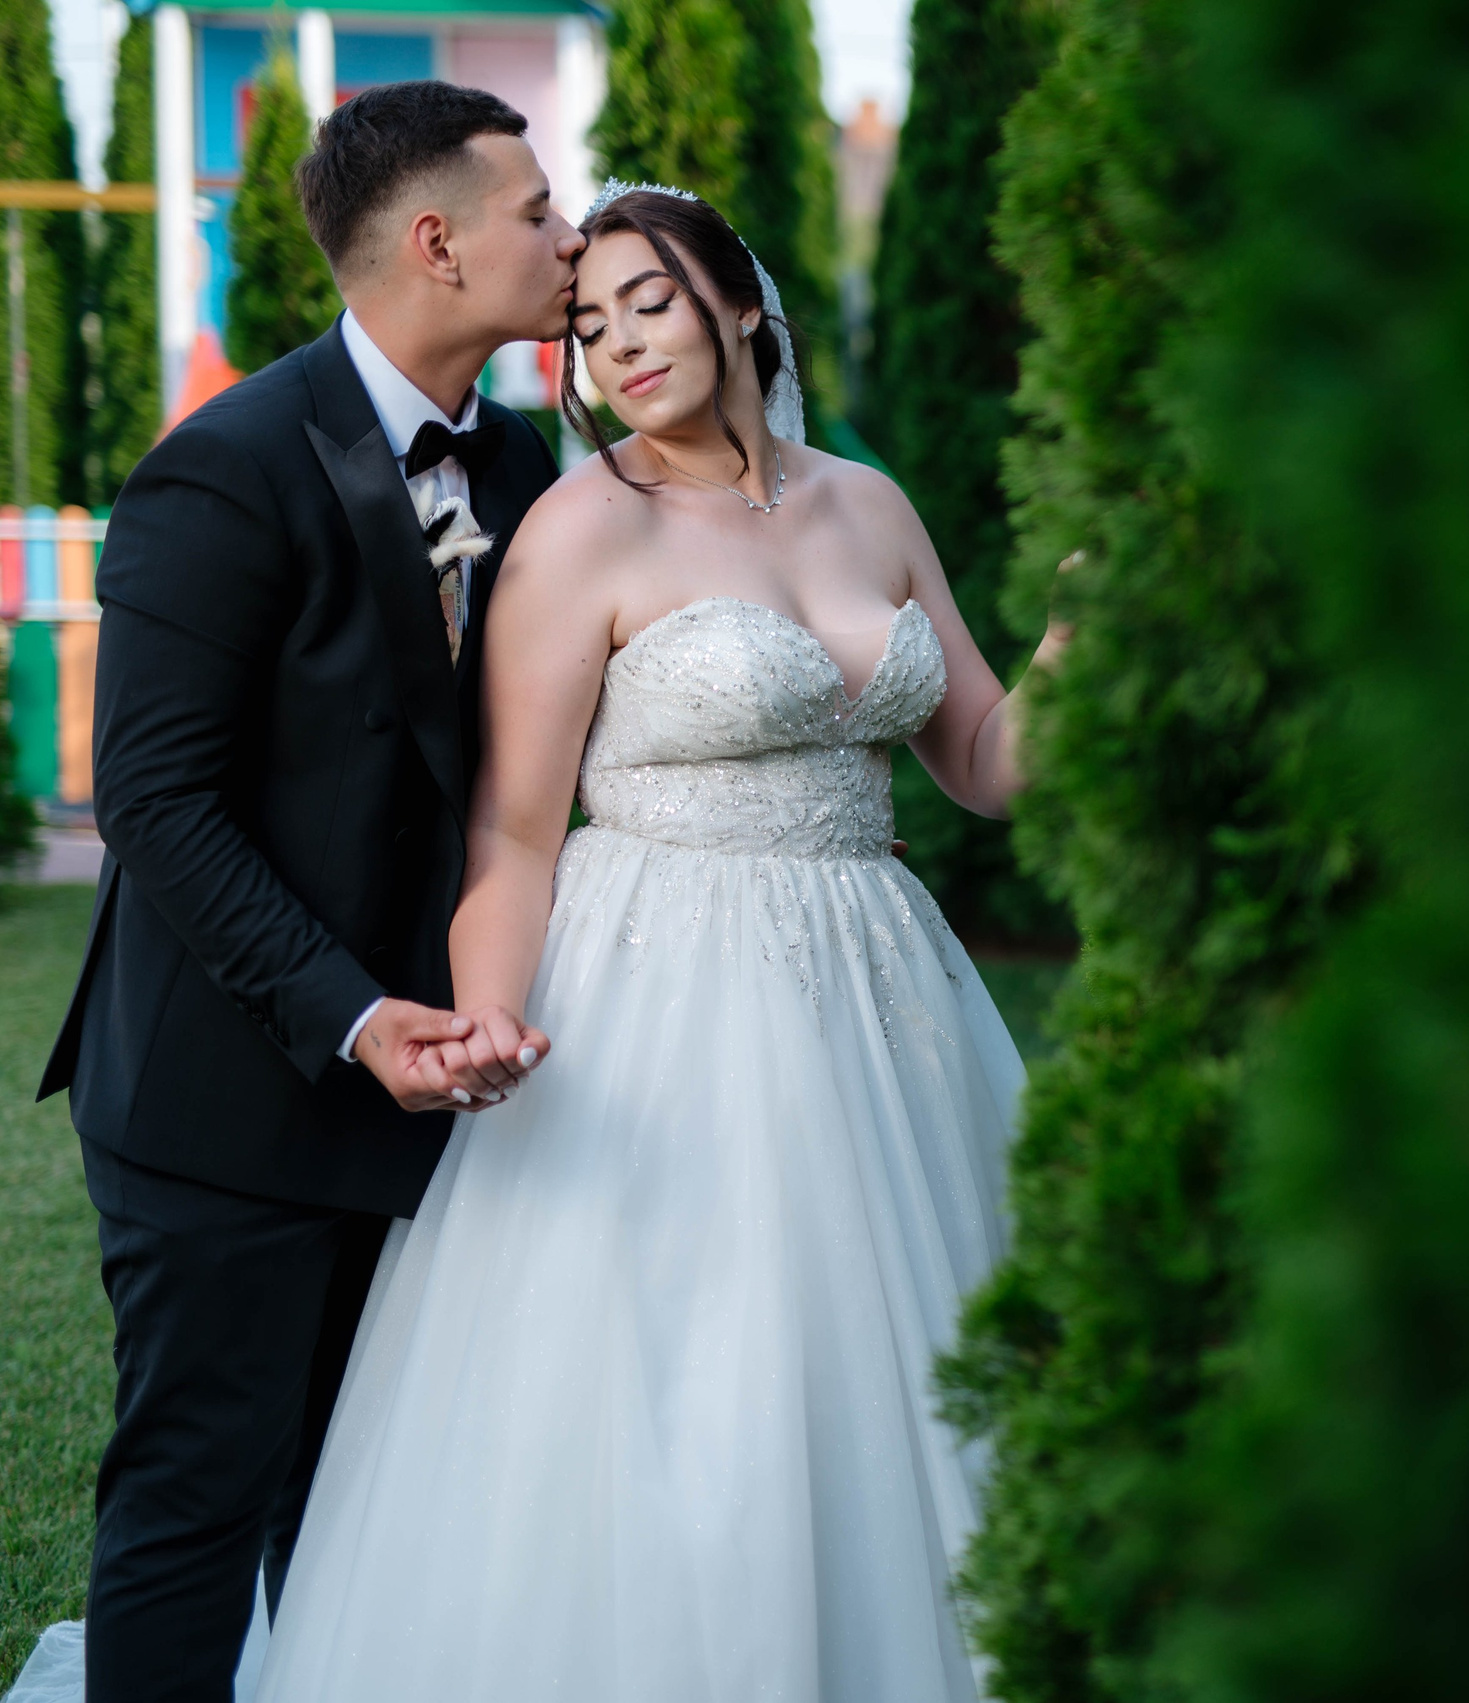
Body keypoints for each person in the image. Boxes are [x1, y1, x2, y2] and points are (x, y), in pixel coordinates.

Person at [246, 186, 1058, 1701]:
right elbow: (513, 832)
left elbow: (981, 763)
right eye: (589, 322)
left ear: (739, 305)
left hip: (879, 990)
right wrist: (489, 1016)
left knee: (899, 1358)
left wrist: (1079, 653)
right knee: (689, 1384)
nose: (619, 342)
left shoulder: (870, 507)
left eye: (652, 301)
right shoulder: (581, 529)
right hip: (662, 996)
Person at [26, 82, 580, 1702]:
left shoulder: (522, 458)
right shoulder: (224, 469)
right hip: (227, 1094)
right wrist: (351, 1017)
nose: (567, 235)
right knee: (202, 1496)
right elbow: (156, 803)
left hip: (436, 1095)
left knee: (361, 1516)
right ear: (437, 243)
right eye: (537, 210)